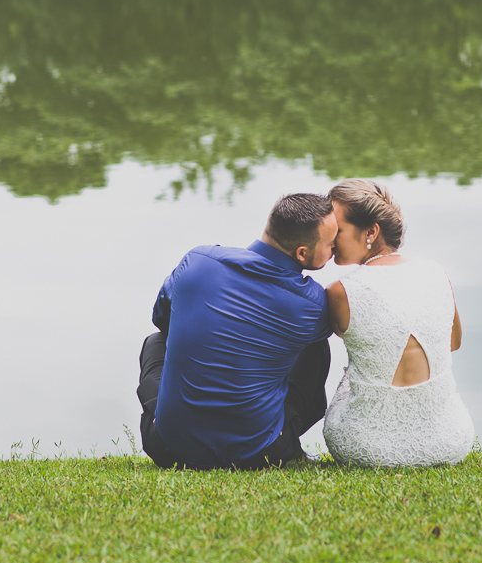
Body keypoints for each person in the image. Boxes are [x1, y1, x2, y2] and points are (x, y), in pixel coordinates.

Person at [136, 193, 338, 470]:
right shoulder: (312, 304)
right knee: (315, 346)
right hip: (260, 454)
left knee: (157, 342)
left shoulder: (198, 260)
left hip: (170, 449)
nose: (335, 249)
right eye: (331, 244)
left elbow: (162, 319)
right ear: (302, 253)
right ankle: (288, 437)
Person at [322, 179, 475, 467]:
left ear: (371, 232)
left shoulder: (340, 291)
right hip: (449, 441)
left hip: (363, 447)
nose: (329, 240)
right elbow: (453, 342)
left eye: (337, 231)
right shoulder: (435, 272)